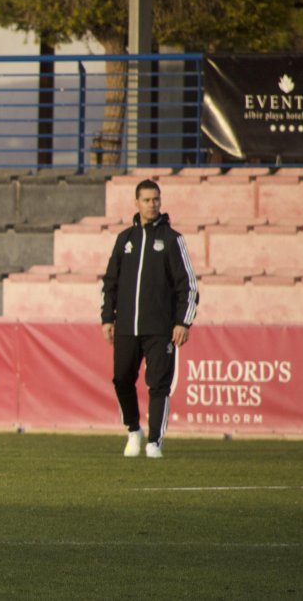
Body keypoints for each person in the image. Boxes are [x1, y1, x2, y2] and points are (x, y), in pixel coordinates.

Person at [100, 179, 198, 459]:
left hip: (160, 328)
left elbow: (187, 285)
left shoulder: (172, 239)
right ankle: (133, 429)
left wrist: (183, 322)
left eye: (156, 199)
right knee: (121, 379)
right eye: (146, 200)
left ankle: (155, 441)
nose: (152, 204)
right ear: (137, 203)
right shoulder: (125, 240)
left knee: (158, 385)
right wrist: (108, 318)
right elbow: (110, 282)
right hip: (127, 327)